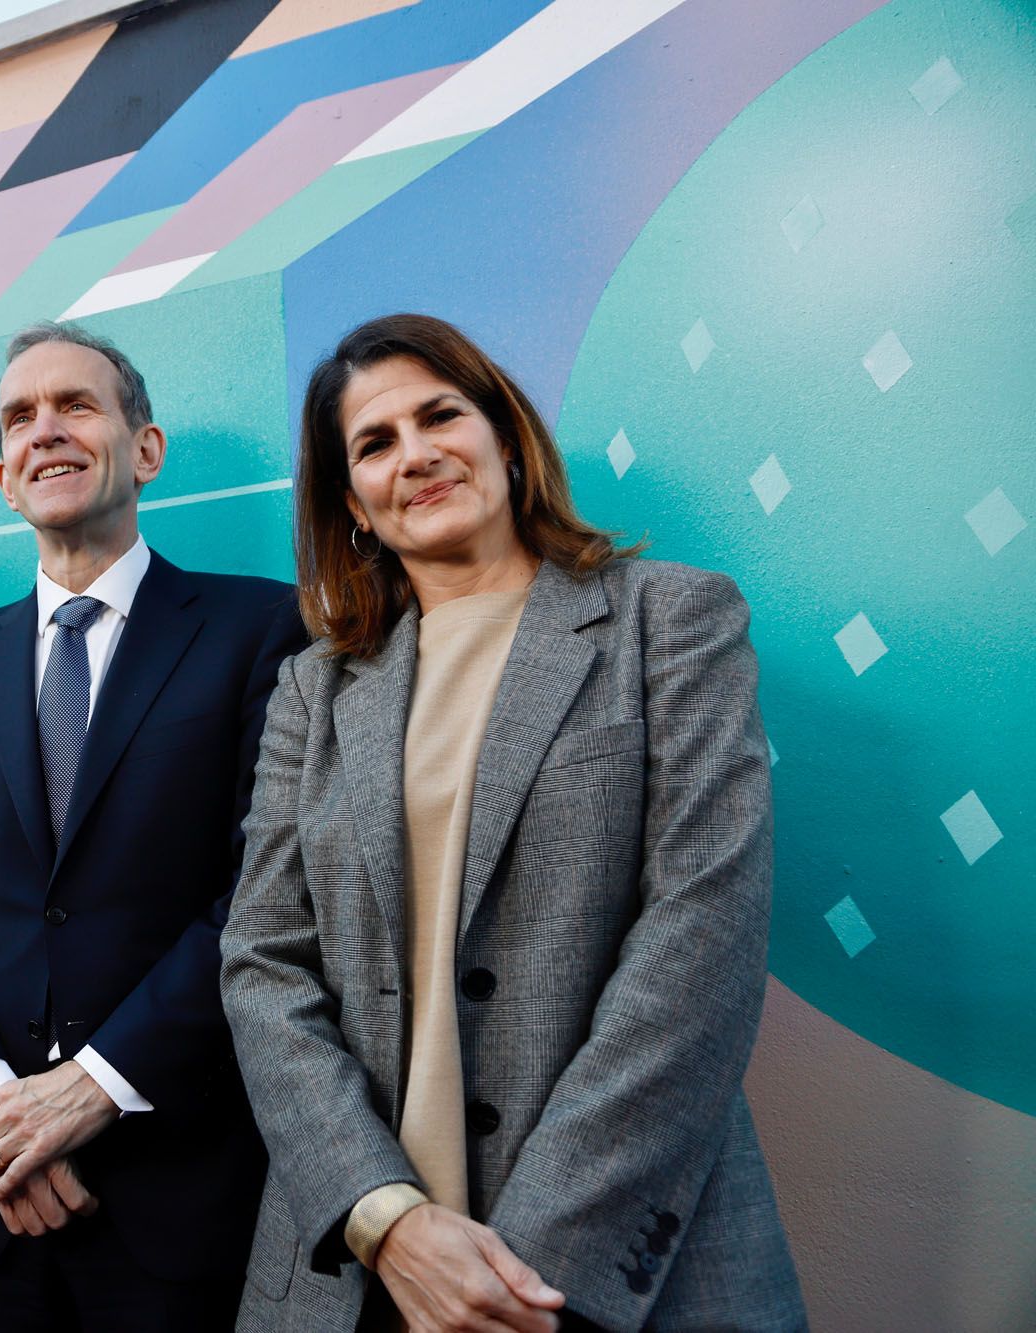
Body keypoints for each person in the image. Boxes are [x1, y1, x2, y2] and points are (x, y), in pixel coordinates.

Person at [219, 314, 806, 1331]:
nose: (416, 454)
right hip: (356, 1277)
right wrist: (386, 1220)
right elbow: (261, 962)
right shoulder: (312, 692)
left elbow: (700, 934)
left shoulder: (667, 620)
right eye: (374, 443)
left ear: (502, 435)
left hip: (606, 1271)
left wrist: (525, 1268)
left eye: (438, 414)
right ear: (350, 504)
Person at [0, 321, 306, 1330]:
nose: (45, 430)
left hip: (169, 1190)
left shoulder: (259, 629)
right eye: (20, 416)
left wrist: (90, 1091)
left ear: (143, 449)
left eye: (75, 405)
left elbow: (264, 894)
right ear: (2, 475)